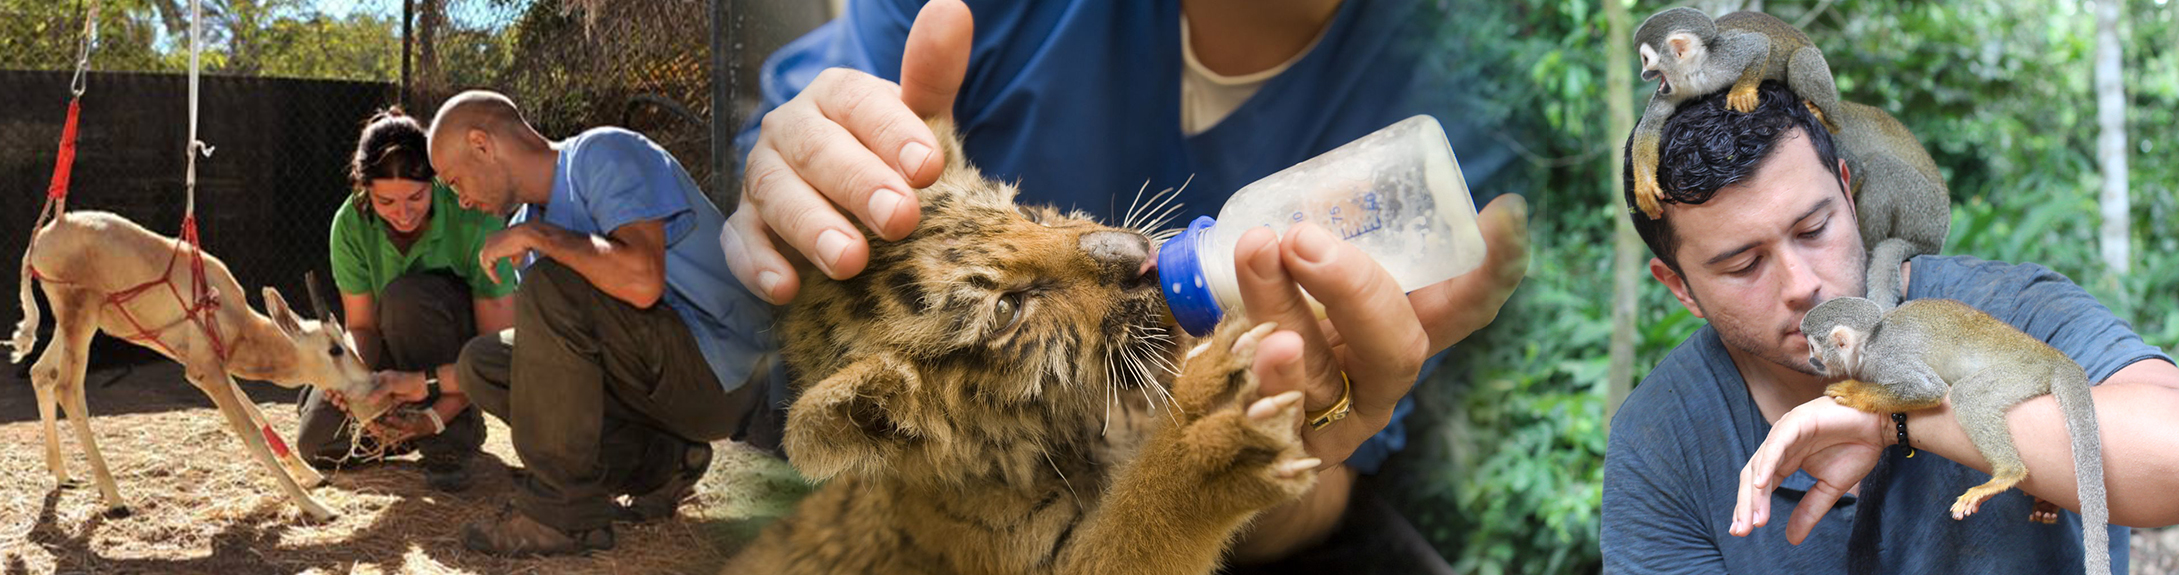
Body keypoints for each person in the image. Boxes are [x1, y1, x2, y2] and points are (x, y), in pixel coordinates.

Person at [725, 0, 1531, 569]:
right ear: (890, 422)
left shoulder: (1465, 101)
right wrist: (780, 184)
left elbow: (1326, 482)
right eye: (1008, 309)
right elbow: (786, 166)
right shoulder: (943, 470)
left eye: (1021, 207)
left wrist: (1264, 439)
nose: (1108, 248)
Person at [1600, 80, 2179, 573]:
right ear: (1680, 288)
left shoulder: (2005, 306)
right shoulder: (1662, 441)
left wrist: (1892, 421)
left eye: (1814, 230)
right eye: (1745, 265)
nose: (1801, 284)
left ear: (1849, 197)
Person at [374, 90, 772, 556]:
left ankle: (562, 516)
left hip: (725, 374)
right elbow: (547, 368)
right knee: (484, 364)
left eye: (455, 181)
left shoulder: (603, 153)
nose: (460, 201)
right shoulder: (530, 225)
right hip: (659, 396)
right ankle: (664, 462)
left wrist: (540, 236)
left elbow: (642, 280)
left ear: (482, 144)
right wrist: (421, 384)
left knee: (553, 283)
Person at [296, 109, 513, 492]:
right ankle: (403, 430)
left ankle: (452, 434)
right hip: (392, 357)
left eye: (416, 196)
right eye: (385, 201)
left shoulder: (473, 212)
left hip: (454, 360)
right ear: (363, 188)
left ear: (435, 179)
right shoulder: (349, 223)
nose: (403, 213)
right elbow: (362, 327)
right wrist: (352, 380)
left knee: (405, 298)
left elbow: (496, 351)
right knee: (317, 444)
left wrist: (438, 415)